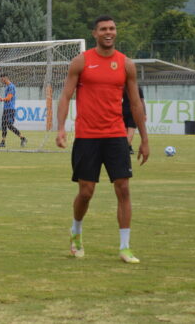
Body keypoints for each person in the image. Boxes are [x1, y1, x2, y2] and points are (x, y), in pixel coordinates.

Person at [56, 15, 149, 264]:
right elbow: (65, 96)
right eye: (103, 29)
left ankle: (125, 247)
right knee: (86, 192)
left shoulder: (126, 64)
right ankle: (76, 233)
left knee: (124, 189)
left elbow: (136, 103)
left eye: (112, 28)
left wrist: (144, 138)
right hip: (87, 137)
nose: (109, 32)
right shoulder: (81, 62)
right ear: (94, 34)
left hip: (116, 136)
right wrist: (61, 128)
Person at [0, 73, 27, 147]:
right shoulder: (7, 87)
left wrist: (1, 99)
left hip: (10, 109)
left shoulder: (11, 87)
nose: (1, 81)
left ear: (5, 78)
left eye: (2, 79)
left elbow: (9, 98)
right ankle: (3, 142)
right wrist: (1, 98)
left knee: (9, 125)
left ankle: (23, 138)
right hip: (6, 109)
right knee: (3, 125)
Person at [122, 86, 145, 154]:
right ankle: (124, 149)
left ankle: (129, 148)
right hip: (133, 112)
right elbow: (142, 102)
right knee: (130, 133)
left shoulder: (123, 88)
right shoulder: (138, 88)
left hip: (123, 111)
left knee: (125, 133)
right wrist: (144, 113)